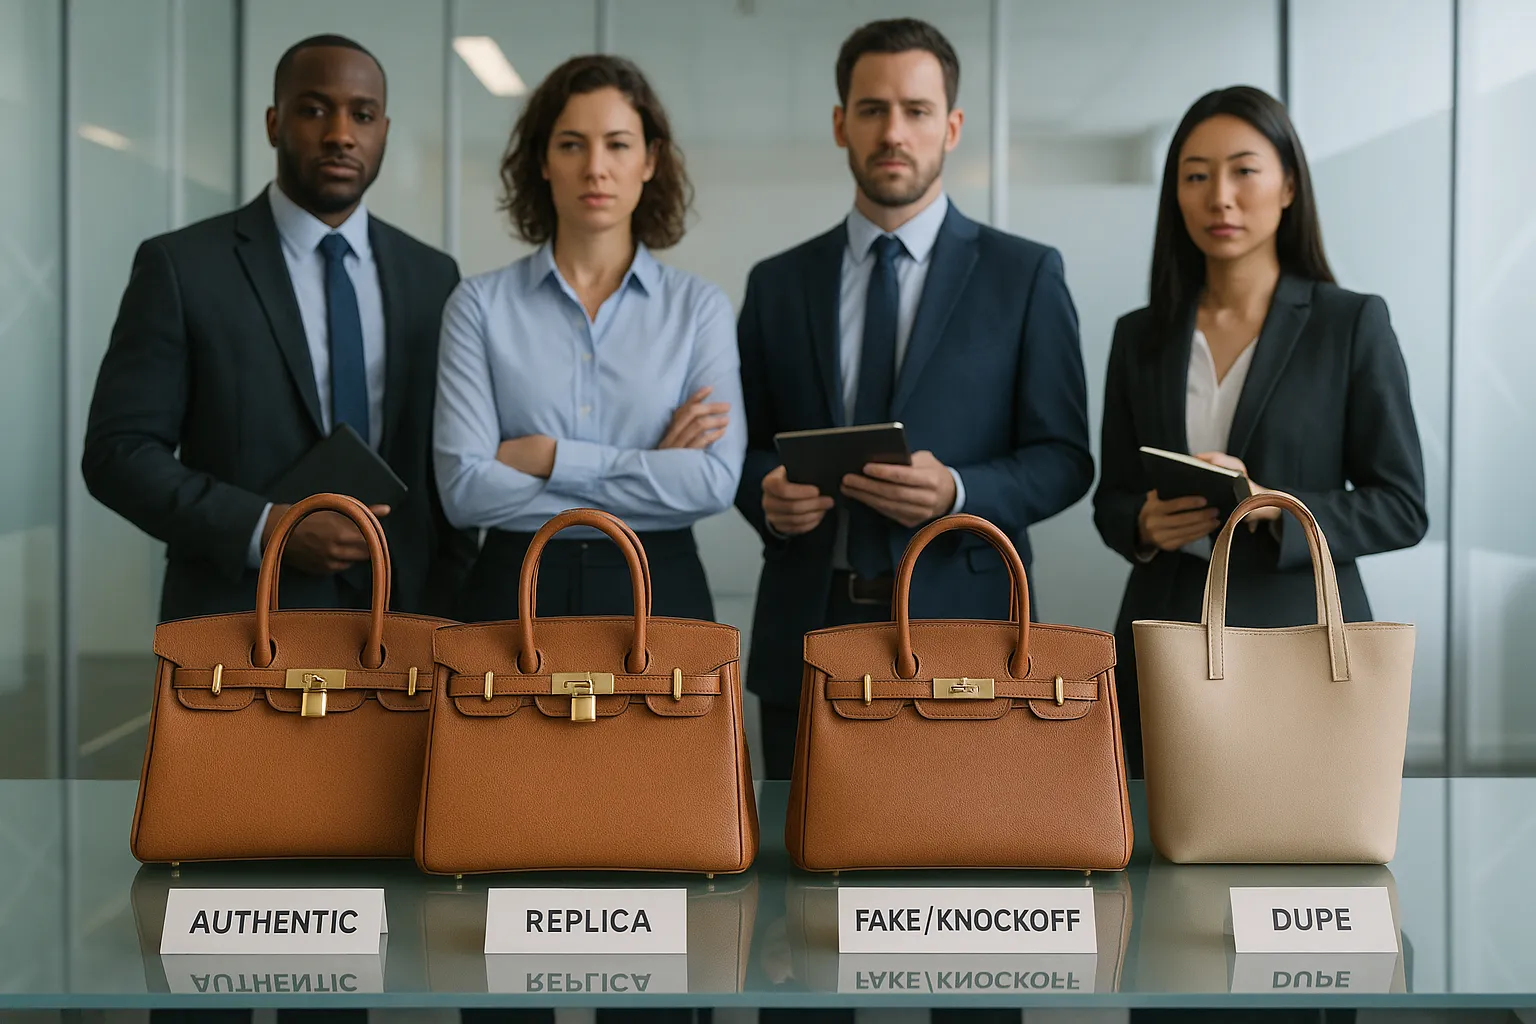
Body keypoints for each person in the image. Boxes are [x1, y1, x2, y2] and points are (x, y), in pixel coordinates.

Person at [735, 18, 1094, 782]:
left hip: (963, 626)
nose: (892, 131)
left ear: (952, 126)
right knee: (802, 869)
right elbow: (744, 446)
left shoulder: (1024, 275)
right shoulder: (778, 283)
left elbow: (1065, 459)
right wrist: (765, 492)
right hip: (810, 620)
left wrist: (958, 491)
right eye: (871, 109)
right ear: (840, 124)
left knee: (955, 854)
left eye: (916, 110)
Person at [1093, 85, 1428, 778]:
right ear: (1175, 196)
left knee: (1290, 839)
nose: (1220, 196)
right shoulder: (1140, 336)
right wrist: (1144, 525)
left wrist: (1275, 507)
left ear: (1287, 188)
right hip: (1165, 636)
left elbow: (1402, 504)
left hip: (1298, 638)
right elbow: (1113, 497)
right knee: (1159, 845)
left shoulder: (1351, 323)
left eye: (1245, 170)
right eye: (1196, 175)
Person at [82, 34, 472, 622]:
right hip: (239, 623)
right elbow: (118, 453)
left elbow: (447, 457)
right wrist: (268, 528)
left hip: (406, 619)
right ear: (273, 122)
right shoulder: (183, 267)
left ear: (383, 132)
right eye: (314, 109)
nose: (340, 132)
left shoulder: (433, 276)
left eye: (362, 115)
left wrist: (450, 594)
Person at [433, 54, 743, 626]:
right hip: (513, 589)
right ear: (544, 163)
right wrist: (651, 466)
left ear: (650, 161)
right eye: (572, 144)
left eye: (619, 145)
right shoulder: (479, 306)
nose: (595, 168)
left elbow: (712, 482)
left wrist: (546, 458)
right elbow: (464, 491)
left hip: (659, 588)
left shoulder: (698, 308)